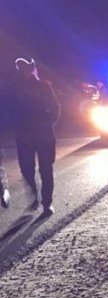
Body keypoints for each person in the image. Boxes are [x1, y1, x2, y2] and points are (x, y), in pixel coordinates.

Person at [8, 58, 60, 216]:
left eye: (27, 68)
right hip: (24, 136)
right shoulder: (14, 89)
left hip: (44, 134)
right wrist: (15, 127)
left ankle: (47, 203)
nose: (24, 71)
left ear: (31, 69)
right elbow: (10, 110)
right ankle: (35, 194)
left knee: (46, 169)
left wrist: (48, 123)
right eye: (21, 68)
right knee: (26, 169)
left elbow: (54, 107)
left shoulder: (43, 87)